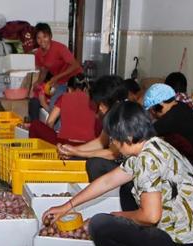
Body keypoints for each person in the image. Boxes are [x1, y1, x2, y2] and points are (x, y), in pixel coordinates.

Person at [45, 101, 193, 246]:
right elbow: (108, 181)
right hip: (191, 238)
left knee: (100, 225)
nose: (113, 144)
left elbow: (151, 216)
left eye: (114, 139)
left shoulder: (148, 160)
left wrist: (120, 216)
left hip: (181, 245)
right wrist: (67, 206)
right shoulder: (152, 145)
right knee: (125, 189)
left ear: (129, 138)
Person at [57, 75, 136, 210]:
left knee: (95, 163)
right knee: (76, 158)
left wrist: (78, 151)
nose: (99, 109)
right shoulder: (112, 115)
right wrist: (73, 150)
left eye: (101, 104)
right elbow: (101, 142)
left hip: (129, 171)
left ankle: (106, 201)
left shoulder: (125, 116)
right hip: (120, 165)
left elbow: (113, 153)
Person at [144, 83, 193, 172]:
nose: (154, 114)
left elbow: (144, 134)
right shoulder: (179, 106)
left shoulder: (171, 117)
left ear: (160, 104)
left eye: (153, 110)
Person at [28, 23, 82, 120]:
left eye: (45, 36)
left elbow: (75, 65)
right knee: (33, 100)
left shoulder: (60, 48)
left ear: (50, 36)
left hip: (73, 80)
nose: (42, 40)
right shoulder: (38, 53)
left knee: (54, 104)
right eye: (38, 38)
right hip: (58, 81)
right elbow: (44, 71)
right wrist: (37, 83)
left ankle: (57, 130)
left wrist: (56, 78)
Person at [28, 74, 99, 145]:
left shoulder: (64, 98)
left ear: (69, 89)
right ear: (85, 89)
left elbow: (50, 122)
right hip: (90, 145)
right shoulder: (94, 99)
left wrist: (52, 136)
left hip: (66, 144)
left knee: (35, 125)